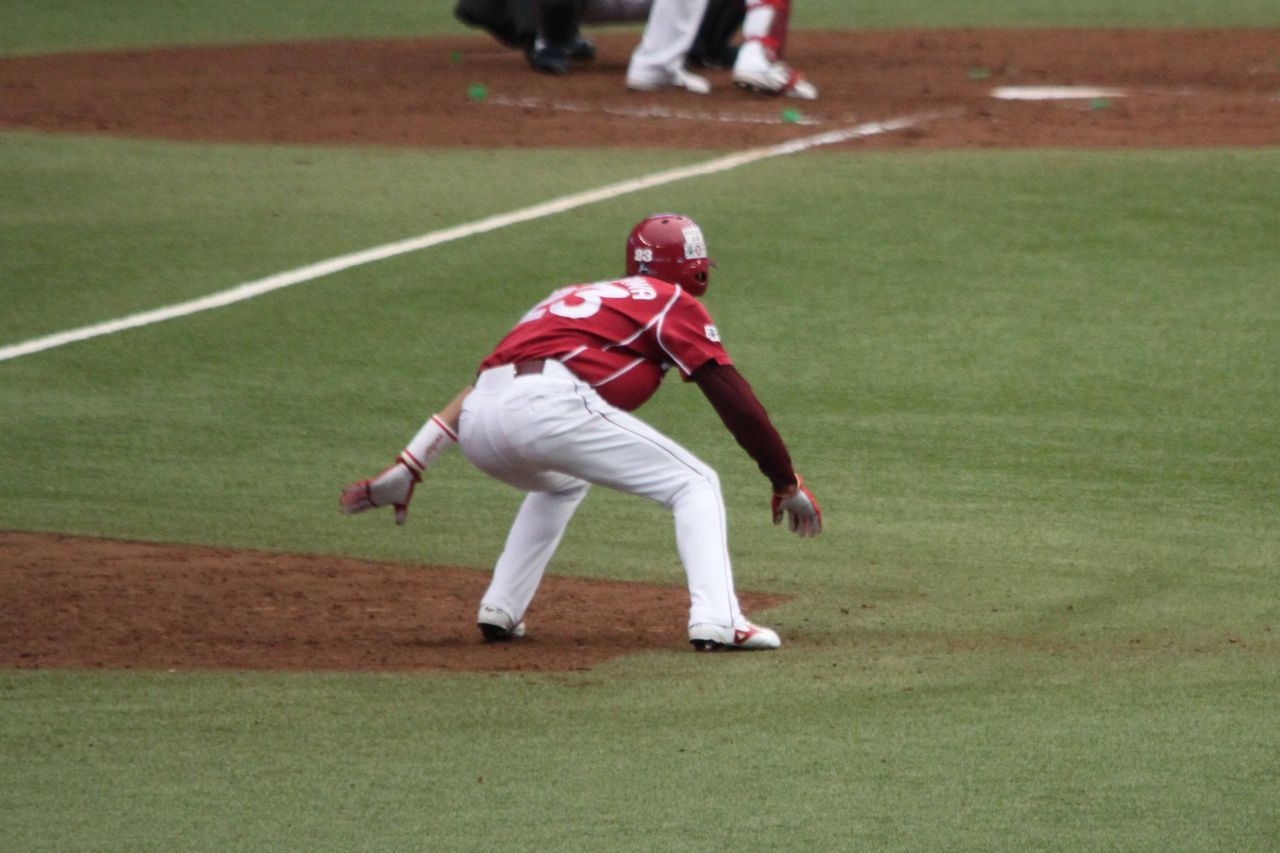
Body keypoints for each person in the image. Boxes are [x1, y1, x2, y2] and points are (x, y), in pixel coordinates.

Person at [341, 214, 822, 652]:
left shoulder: (565, 297)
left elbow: (484, 384)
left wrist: (412, 463)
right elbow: (733, 397)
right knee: (695, 483)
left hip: (479, 421)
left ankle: (501, 607)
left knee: (564, 482)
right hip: (545, 407)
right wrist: (784, 480)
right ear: (694, 268)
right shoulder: (670, 300)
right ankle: (719, 620)